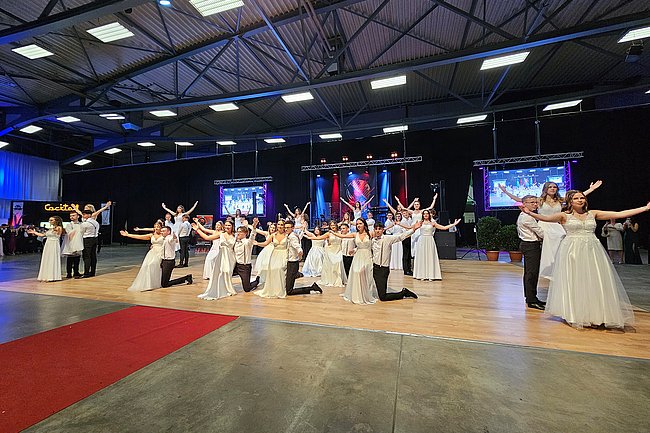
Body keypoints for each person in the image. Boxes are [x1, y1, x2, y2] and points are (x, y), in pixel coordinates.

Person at [520, 191, 649, 329]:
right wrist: (529, 213)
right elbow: (544, 218)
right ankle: (575, 314)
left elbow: (619, 214)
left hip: (592, 251)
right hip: (572, 251)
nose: (580, 200)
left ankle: (596, 315)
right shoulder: (563, 216)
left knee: (594, 281)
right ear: (570, 202)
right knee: (575, 281)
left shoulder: (593, 213)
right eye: (576, 198)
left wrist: (645, 208)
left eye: (582, 198)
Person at [499, 180, 602, 279]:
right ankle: (548, 270)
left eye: (555, 187)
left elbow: (576, 197)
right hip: (544, 225)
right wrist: (505, 191)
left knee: (561, 247)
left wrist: (591, 189)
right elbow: (519, 199)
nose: (553, 188)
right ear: (545, 189)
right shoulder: (539, 200)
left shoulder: (560, 200)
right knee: (548, 249)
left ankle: (561, 270)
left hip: (557, 226)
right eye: (550, 187)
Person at [331, 218, 378, 305]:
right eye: (357, 224)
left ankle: (366, 294)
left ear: (364, 224)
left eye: (360, 223)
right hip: (358, 256)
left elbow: (379, 236)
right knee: (357, 272)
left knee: (366, 274)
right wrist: (333, 233)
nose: (358, 225)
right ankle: (357, 294)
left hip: (367, 256)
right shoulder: (355, 234)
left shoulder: (370, 233)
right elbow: (343, 236)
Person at [371, 221, 420, 301]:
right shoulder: (373, 240)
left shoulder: (387, 238)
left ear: (383, 230)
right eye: (376, 229)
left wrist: (413, 229)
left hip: (383, 269)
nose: (377, 231)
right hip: (374, 268)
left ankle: (404, 292)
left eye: (379, 229)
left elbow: (401, 237)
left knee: (383, 297)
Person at [412, 210, 461, 281]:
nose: (425, 215)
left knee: (430, 256)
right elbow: (411, 228)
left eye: (427, 214)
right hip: (422, 240)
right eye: (424, 214)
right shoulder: (420, 223)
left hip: (430, 240)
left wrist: (454, 224)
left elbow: (444, 227)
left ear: (429, 215)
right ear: (422, 215)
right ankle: (422, 275)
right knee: (422, 257)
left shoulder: (433, 223)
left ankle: (431, 275)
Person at [516, 196, 546, 310]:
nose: (535, 204)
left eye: (536, 202)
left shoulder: (527, 215)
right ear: (524, 204)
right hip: (530, 245)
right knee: (531, 273)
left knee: (531, 272)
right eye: (532, 202)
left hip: (529, 245)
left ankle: (531, 297)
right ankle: (531, 300)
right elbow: (540, 232)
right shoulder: (527, 217)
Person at [195, 220, 237, 300]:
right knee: (222, 271)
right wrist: (197, 229)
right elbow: (207, 237)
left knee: (228, 272)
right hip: (222, 256)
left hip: (231, 257)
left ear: (232, 227)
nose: (227, 227)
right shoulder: (221, 234)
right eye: (226, 225)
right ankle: (221, 289)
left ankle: (228, 288)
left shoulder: (234, 235)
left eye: (229, 225)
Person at [120, 222, 164, 292]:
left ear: (161, 227)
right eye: (155, 227)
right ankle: (148, 284)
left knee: (153, 265)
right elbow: (140, 237)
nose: (156, 228)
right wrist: (128, 235)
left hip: (160, 252)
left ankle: (156, 282)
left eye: (158, 227)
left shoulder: (163, 235)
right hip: (152, 253)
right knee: (147, 266)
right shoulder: (151, 235)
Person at [284, 221, 322, 295]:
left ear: (292, 228)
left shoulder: (292, 237)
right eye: (285, 227)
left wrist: (300, 254)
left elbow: (298, 247)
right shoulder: (290, 235)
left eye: (288, 227)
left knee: (289, 291)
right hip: (290, 262)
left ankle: (312, 288)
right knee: (288, 286)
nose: (286, 229)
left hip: (293, 263)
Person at [255, 220, 289, 298]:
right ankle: (273, 289)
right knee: (273, 270)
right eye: (279, 224)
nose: (280, 226)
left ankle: (280, 290)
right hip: (274, 255)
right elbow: (265, 243)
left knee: (280, 270)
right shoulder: (273, 235)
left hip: (284, 254)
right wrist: (257, 243)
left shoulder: (287, 235)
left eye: (282, 224)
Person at [307, 221, 346, 287]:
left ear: (336, 225)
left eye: (334, 225)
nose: (333, 226)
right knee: (331, 265)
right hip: (330, 250)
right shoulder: (328, 233)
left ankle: (338, 279)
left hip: (338, 250)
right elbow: (319, 238)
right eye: (331, 225)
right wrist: (310, 238)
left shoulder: (340, 232)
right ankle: (331, 280)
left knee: (338, 263)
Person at [28, 216, 64, 282]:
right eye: (49, 220)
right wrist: (34, 232)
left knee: (52, 258)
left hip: (54, 244)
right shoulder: (50, 229)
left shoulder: (59, 228)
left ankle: (52, 276)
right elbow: (42, 235)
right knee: (47, 258)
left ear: (56, 221)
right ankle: (46, 275)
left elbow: (58, 234)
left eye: (51, 220)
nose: (50, 221)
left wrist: (54, 230)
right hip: (48, 244)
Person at [232, 221, 261, 292]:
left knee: (247, 289)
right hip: (236, 265)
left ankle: (257, 281)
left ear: (245, 233)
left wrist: (254, 228)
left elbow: (252, 236)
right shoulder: (235, 242)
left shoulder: (247, 242)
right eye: (237, 231)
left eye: (240, 232)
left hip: (244, 267)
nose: (238, 233)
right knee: (225, 274)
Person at [62, 211, 84, 279]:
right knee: (70, 259)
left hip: (79, 242)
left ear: (78, 216)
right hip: (71, 242)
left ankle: (76, 272)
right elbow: (69, 234)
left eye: (73, 215)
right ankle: (69, 273)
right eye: (71, 216)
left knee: (77, 259)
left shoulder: (81, 224)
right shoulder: (69, 224)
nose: (72, 217)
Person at [80, 209, 100, 278]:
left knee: (86, 256)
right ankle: (92, 272)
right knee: (93, 256)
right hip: (95, 239)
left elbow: (81, 232)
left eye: (84, 214)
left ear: (89, 215)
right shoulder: (96, 222)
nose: (83, 216)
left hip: (87, 240)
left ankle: (86, 273)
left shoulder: (85, 224)